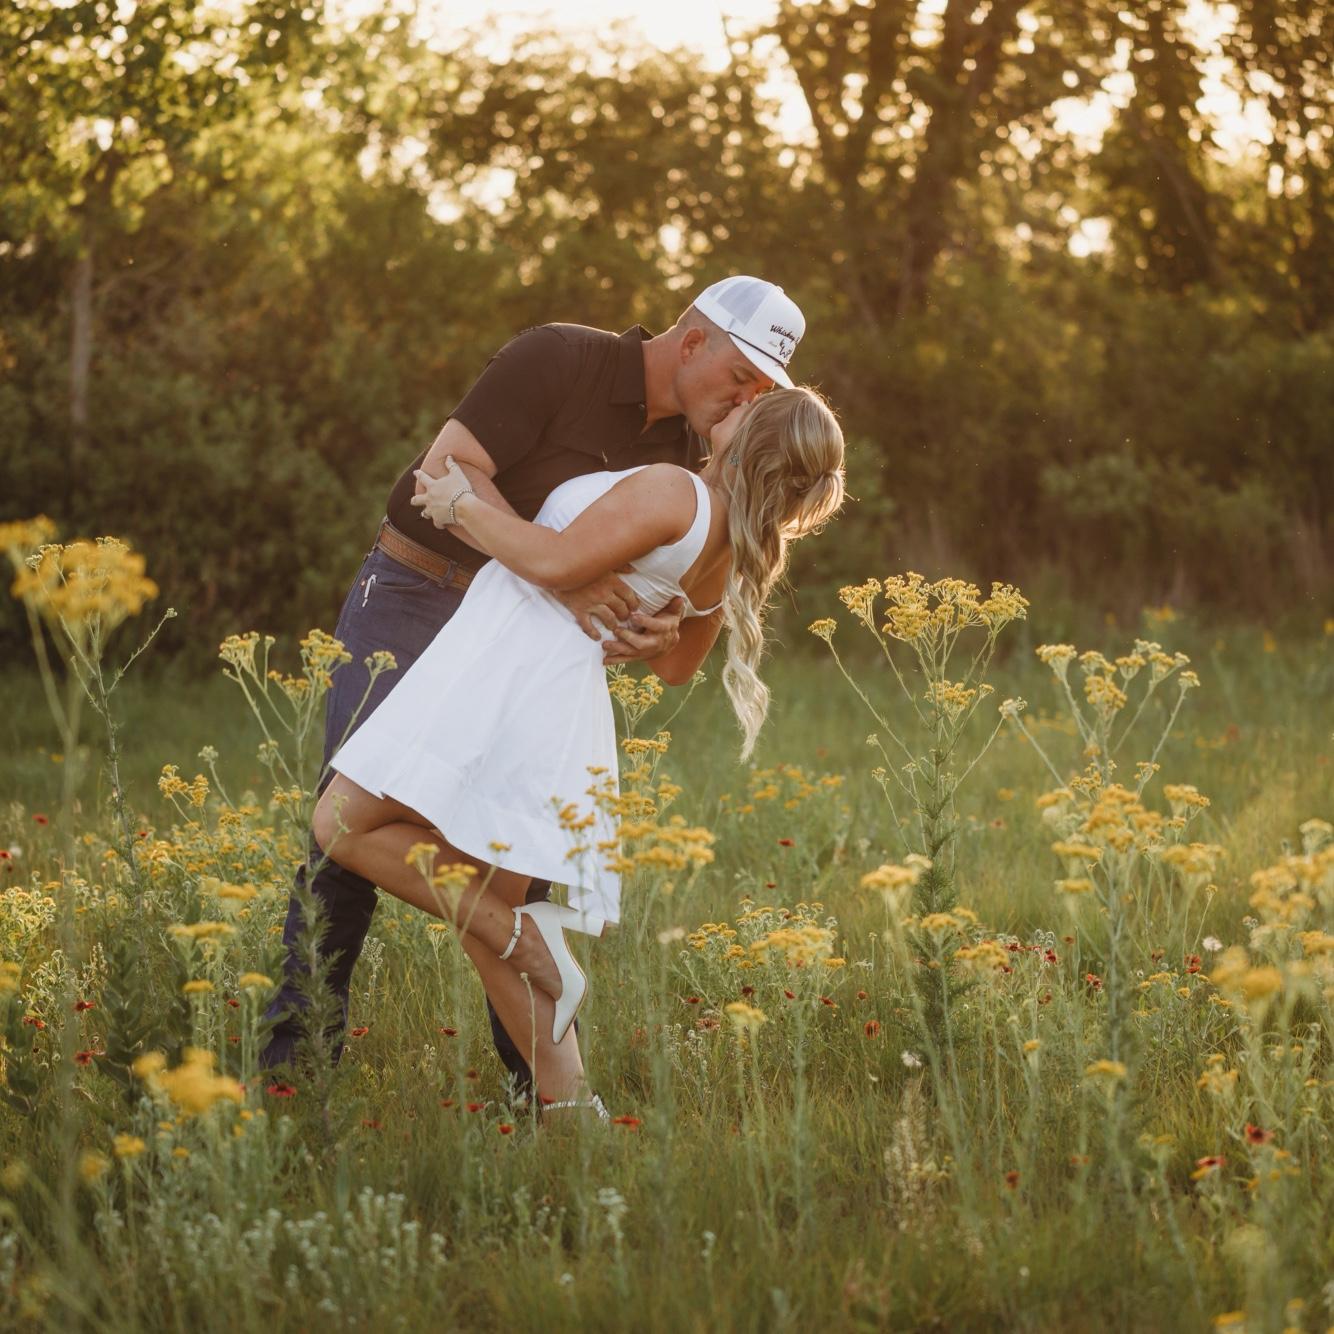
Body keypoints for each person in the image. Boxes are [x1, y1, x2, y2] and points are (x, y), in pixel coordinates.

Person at [261, 276, 808, 1093]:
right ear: (693, 341)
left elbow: (673, 596)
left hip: (527, 640)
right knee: (350, 828)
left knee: (512, 854)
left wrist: (661, 626)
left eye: (763, 389)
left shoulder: (691, 459)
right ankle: (295, 1076)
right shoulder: (560, 358)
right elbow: (446, 468)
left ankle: (549, 1098)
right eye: (742, 376)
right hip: (419, 593)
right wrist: (564, 578)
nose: (747, 397)